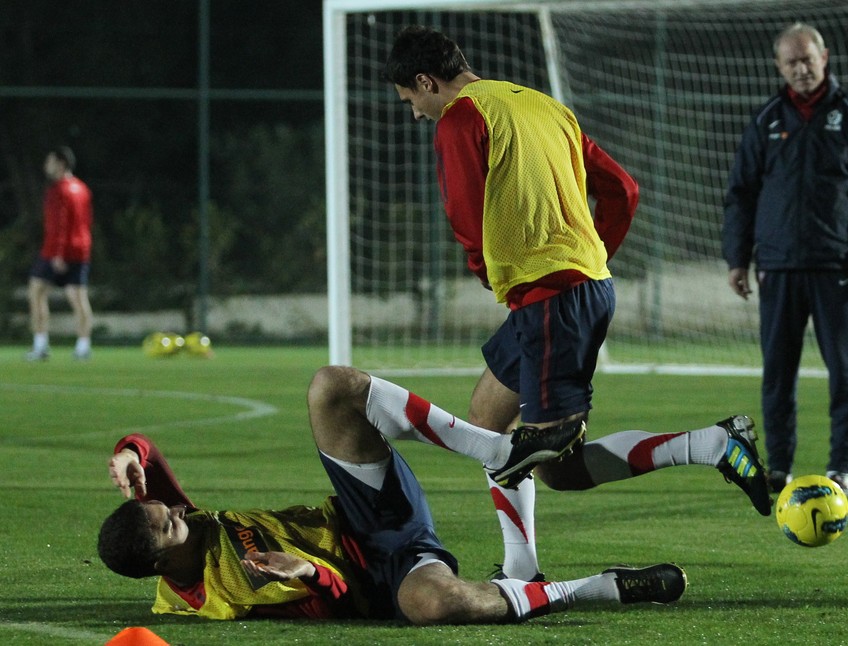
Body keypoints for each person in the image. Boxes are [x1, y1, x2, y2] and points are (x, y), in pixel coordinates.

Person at [383, 25, 771, 582]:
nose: (417, 114)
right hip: (572, 291)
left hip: (551, 301)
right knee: (492, 424)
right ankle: (523, 569)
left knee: (547, 457)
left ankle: (711, 445)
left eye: (411, 101)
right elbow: (624, 190)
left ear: (426, 81)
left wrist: (491, 269)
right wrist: (590, 260)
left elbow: (466, 215)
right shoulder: (544, 106)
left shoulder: (462, 118)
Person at [97, 365, 688, 624]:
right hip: (381, 577)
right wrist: (307, 573)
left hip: (365, 511)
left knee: (330, 387)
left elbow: (160, 481)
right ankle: (589, 590)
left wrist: (131, 449)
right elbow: (341, 600)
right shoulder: (230, 591)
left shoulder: (181, 531)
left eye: (169, 508)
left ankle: (494, 450)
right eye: (171, 523)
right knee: (436, 605)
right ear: (161, 562)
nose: (181, 511)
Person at [722, 23, 848, 496]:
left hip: (838, 269)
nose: (801, 69)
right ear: (779, 67)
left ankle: (841, 466)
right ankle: (778, 466)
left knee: (847, 374)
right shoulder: (766, 121)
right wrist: (736, 258)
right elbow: (741, 194)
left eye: (808, 59)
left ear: (825, 57)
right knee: (778, 377)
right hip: (778, 268)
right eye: (791, 62)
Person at [25, 146, 95, 361]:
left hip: (56, 250)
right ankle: (83, 346)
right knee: (78, 298)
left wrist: (58, 253)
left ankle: (40, 345)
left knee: (36, 291)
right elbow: (87, 221)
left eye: (50, 161)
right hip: (81, 248)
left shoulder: (58, 191)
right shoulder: (82, 188)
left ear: (61, 163)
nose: (47, 166)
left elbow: (59, 224)